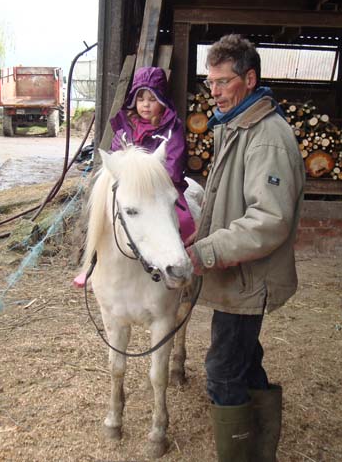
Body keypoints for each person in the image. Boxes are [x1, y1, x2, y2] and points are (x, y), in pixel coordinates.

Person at [185, 34, 305, 462]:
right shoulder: (236, 127)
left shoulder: (267, 138)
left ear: (249, 79)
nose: (213, 91)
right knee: (246, 362)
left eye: (222, 81)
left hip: (247, 280)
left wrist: (206, 252)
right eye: (209, 82)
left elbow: (268, 221)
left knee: (222, 372)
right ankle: (261, 451)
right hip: (238, 276)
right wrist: (198, 236)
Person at [73, 66, 195, 288]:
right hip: (131, 189)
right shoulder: (124, 128)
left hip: (160, 188)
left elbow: (174, 164)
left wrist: (150, 176)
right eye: (141, 99)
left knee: (185, 220)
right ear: (134, 102)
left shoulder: (171, 129)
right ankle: (92, 263)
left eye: (152, 98)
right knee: (97, 214)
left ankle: (182, 262)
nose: (146, 104)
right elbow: (117, 156)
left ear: (162, 101)